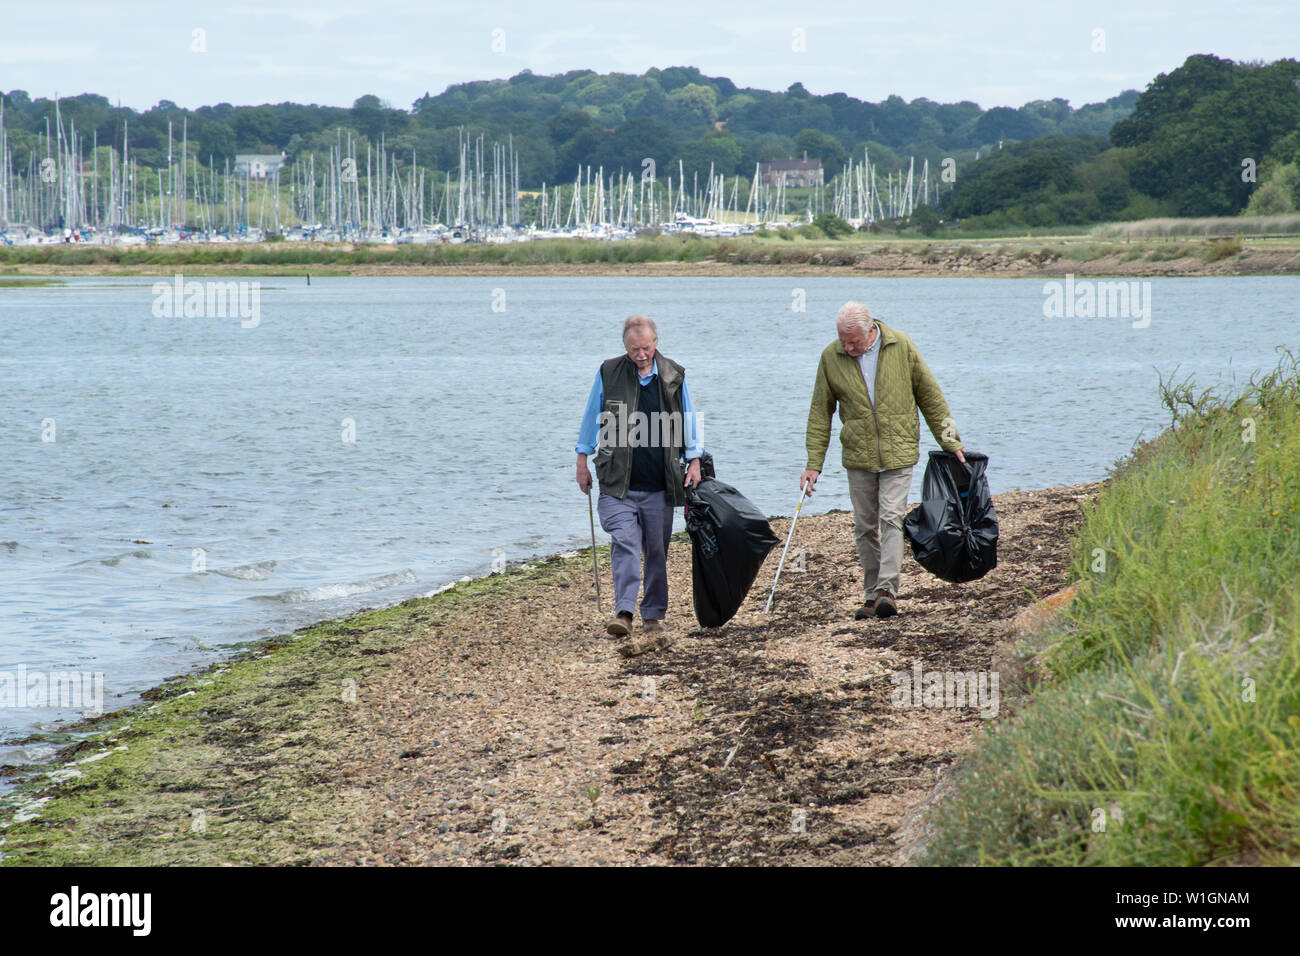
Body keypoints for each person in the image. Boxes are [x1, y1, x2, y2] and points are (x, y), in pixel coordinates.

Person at [800, 302, 965, 619]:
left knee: (891, 517)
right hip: (858, 456)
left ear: (870, 330)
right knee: (864, 526)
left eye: (854, 342)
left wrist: (951, 441)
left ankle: (887, 591)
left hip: (898, 451)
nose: (847, 347)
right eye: (842, 340)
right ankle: (871, 593)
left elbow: (930, 396)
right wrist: (813, 463)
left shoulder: (900, 345)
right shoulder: (830, 358)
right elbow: (820, 414)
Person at [576, 316, 703, 655]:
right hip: (618, 484)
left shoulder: (674, 374)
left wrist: (694, 460)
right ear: (625, 347)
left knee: (657, 551)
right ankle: (625, 612)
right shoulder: (609, 372)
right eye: (635, 350)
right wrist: (581, 461)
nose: (642, 355)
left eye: (647, 348)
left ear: (656, 343)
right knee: (626, 543)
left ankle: (653, 614)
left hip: (660, 484)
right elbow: (591, 418)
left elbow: (688, 418)